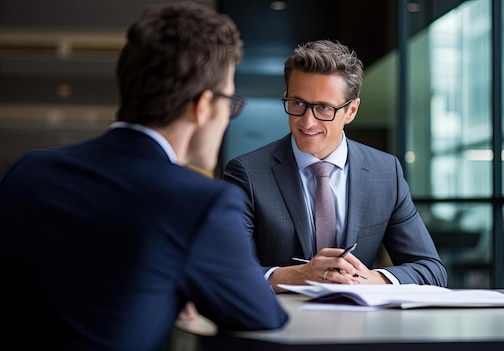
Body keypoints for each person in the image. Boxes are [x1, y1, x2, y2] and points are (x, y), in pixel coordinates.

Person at [0, 2, 288, 350]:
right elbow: (262, 314)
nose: (228, 116)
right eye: (229, 102)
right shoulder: (201, 203)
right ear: (202, 106)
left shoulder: (28, 172)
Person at [222, 39, 448, 293]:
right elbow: (225, 270)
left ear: (351, 110)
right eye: (297, 103)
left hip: (360, 326)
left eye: (323, 108)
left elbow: (430, 269)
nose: (307, 122)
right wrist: (299, 275)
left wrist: (369, 279)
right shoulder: (247, 173)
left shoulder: (386, 172)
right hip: (280, 324)